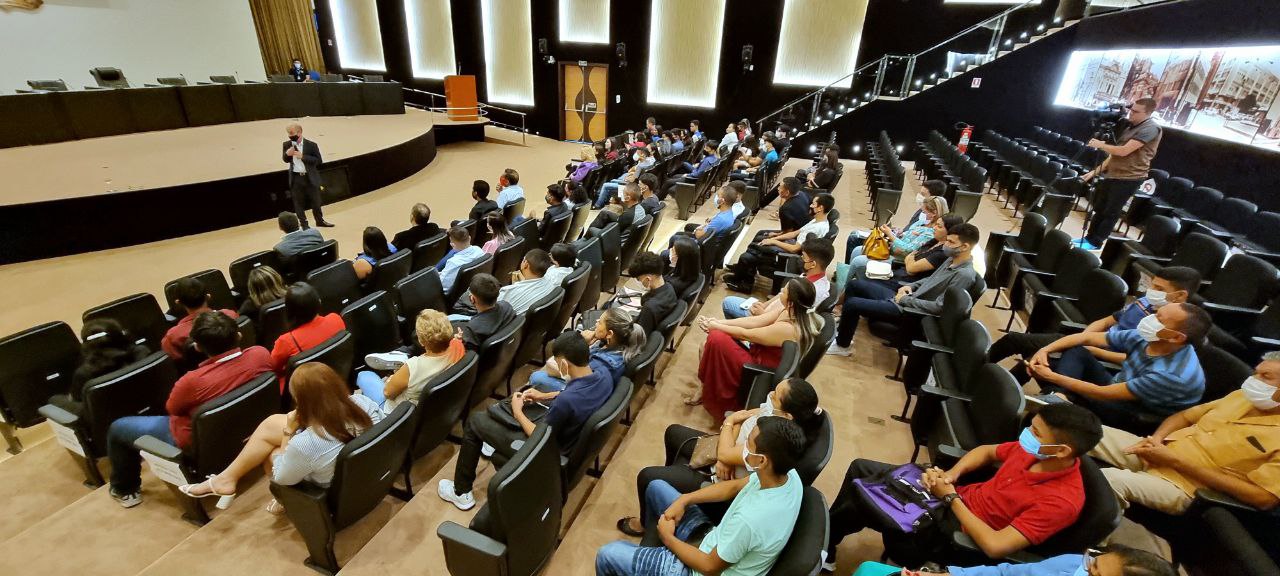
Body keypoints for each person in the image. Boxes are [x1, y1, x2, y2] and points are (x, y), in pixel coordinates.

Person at [825, 404, 1104, 567]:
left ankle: (824, 545)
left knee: (864, 496)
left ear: (1062, 451)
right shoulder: (1035, 452)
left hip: (955, 536)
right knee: (862, 469)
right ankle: (827, 543)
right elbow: (987, 451)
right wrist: (950, 476)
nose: (1027, 435)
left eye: (1036, 432)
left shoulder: (1061, 502)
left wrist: (950, 498)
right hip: (950, 500)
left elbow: (995, 546)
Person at [595, 417, 807, 576]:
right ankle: (651, 545)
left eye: (748, 444)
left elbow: (709, 567)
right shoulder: (789, 477)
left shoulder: (750, 521)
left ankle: (657, 549)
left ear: (762, 460)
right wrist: (684, 500)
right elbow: (733, 487)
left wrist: (668, 537)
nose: (743, 447)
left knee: (608, 554)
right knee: (656, 487)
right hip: (714, 540)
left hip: (698, 569)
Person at [617, 378, 823, 537]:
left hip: (721, 480)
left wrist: (729, 425)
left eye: (775, 395)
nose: (769, 394)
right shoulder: (772, 415)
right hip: (723, 458)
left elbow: (732, 432)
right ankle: (670, 485)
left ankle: (645, 524)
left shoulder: (773, 442)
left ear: (788, 416)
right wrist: (727, 448)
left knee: (647, 476)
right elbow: (742, 420)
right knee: (673, 433)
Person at [107, 312, 273, 507]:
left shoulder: (191, 382)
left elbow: (172, 408)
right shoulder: (260, 354)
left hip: (200, 444)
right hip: (251, 432)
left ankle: (125, 490)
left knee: (118, 428)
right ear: (239, 335)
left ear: (198, 347)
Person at [438, 331, 614, 510]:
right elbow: (571, 393)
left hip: (547, 452)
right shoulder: (604, 374)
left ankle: (461, 492)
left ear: (563, 364)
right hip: (567, 433)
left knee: (475, 421)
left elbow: (540, 438)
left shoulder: (566, 402)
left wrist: (517, 412)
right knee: (501, 412)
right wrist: (544, 395)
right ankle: (492, 438)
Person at [1090, 352, 1280, 514]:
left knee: (1108, 481)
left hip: (1186, 486)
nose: (1254, 380)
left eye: (1265, 376)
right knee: (1084, 431)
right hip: (1158, 451)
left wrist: (1175, 462)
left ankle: (1089, 543)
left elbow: (1263, 498)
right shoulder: (1242, 396)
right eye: (1255, 373)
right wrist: (1156, 439)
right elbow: (1184, 416)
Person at [178, 363, 384, 512]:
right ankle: (226, 479)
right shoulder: (362, 403)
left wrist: (288, 433)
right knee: (270, 424)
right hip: (365, 468)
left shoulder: (306, 444)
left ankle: (285, 502)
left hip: (334, 488)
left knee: (274, 454)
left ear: (301, 401)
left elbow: (280, 478)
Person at [1025, 302, 1210, 428]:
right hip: (1118, 384)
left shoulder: (1172, 375)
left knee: (1046, 413)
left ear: (1177, 337)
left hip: (1133, 413)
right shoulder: (1150, 336)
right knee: (1076, 351)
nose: (1151, 319)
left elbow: (1101, 393)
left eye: (1160, 320)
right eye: (1156, 313)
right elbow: (1087, 338)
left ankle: (1057, 397)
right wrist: (1044, 350)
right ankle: (1059, 396)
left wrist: (1052, 377)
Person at [987, 266, 1201, 372]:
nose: (1151, 291)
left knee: (1037, 362)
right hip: (1092, 341)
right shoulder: (1144, 302)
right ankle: (979, 368)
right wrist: (1085, 337)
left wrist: (1088, 348)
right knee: (1015, 339)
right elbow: (1107, 321)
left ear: (1180, 296)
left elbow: (1136, 359)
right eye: (1153, 285)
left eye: (1159, 289)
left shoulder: (1173, 327)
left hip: (1103, 359)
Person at [827, 223, 981, 356]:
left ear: (965, 246)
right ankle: (844, 329)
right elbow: (929, 280)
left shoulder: (964, 275)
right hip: (907, 297)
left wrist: (906, 300)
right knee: (855, 285)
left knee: (852, 304)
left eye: (951, 242)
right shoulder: (951, 259)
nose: (945, 244)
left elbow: (940, 307)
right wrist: (911, 286)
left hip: (911, 311)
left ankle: (842, 346)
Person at [695, 278, 823, 422]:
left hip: (761, 369)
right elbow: (755, 321)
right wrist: (718, 322)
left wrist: (716, 327)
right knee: (713, 338)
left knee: (717, 337)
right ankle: (704, 387)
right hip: (759, 353)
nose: (780, 291)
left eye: (784, 291)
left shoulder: (789, 328)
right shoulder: (788, 310)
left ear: (791, 302)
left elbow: (747, 334)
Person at [1077, 98, 1162, 251]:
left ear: (1148, 113)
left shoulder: (1151, 128)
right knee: (1099, 208)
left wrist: (1101, 145)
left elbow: (1123, 151)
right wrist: (1093, 173)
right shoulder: (1130, 127)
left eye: (1136, 111)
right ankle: (1089, 238)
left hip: (1130, 177)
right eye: (1131, 109)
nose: (1131, 113)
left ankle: (1096, 242)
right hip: (1113, 174)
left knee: (1111, 212)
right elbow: (1113, 156)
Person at [355, 309, 464, 410]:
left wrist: (390, 381)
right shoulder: (458, 349)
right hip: (433, 408)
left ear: (421, 341)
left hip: (399, 411)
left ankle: (373, 410)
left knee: (364, 375)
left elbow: (387, 393)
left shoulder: (413, 366)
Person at [725, 193, 833, 293]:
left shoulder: (817, 228)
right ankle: (741, 272)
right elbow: (795, 233)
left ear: (820, 208)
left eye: (813, 204)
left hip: (793, 255)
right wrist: (776, 237)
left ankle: (745, 283)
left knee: (749, 254)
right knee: (759, 240)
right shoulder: (816, 220)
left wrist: (774, 242)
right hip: (793, 243)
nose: (810, 205)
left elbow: (795, 249)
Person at [46, 319, 150, 418]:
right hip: (149, 406)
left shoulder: (84, 374)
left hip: (114, 422)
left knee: (55, 400)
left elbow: (79, 404)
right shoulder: (142, 353)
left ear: (86, 346)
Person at [852, 545, 1175, 576]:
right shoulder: (1072, 564)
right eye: (1094, 563)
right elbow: (1005, 571)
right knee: (869, 570)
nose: (1085, 569)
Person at [530, 307, 645, 392]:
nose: (596, 322)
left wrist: (582, 343)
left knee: (537, 377)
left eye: (600, 322)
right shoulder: (621, 343)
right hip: (591, 382)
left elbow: (564, 370)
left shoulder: (603, 363)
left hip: (582, 390)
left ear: (610, 334)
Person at [723, 238, 833, 320]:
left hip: (770, 320)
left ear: (813, 264)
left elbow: (791, 318)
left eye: (803, 257)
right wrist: (764, 305)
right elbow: (781, 294)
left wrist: (762, 315)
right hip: (768, 311)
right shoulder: (809, 276)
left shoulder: (813, 291)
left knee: (728, 303)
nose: (800, 259)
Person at [847, 196, 950, 280]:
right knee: (857, 250)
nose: (922, 214)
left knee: (858, 261)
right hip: (891, 249)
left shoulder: (931, 233)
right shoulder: (922, 222)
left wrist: (890, 235)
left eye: (925, 212)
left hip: (898, 259)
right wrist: (899, 233)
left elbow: (909, 250)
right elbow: (907, 234)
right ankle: (853, 278)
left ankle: (845, 289)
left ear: (934, 213)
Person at [269, 283, 346, 390]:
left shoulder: (286, 341)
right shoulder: (336, 319)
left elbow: (272, 368)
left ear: (289, 312)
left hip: (306, 389)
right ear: (318, 301)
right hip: (338, 379)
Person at [452, 248, 559, 319]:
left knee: (470, 291)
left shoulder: (509, 291)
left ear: (525, 264)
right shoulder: (552, 284)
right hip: (518, 325)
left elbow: (488, 307)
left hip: (493, 318)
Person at [857, 213, 963, 285]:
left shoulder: (942, 251)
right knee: (858, 250)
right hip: (900, 267)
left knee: (858, 265)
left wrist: (910, 259)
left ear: (950, 231)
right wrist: (911, 258)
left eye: (939, 226)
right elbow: (912, 254)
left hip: (904, 277)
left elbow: (911, 265)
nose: (934, 228)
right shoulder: (934, 240)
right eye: (935, 225)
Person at [161, 277, 238, 363]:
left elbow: (177, 364)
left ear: (178, 303)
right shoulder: (230, 315)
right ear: (208, 296)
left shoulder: (173, 337)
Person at [283, 123, 332, 229]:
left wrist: (303, 157)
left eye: (292, 133)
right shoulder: (287, 145)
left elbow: (318, 161)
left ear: (299, 132)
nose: (290, 136)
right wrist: (287, 154)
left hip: (310, 177)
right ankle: (304, 225)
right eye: (288, 134)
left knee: (316, 201)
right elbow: (285, 159)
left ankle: (319, 220)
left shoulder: (311, 145)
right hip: (296, 178)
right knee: (298, 203)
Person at [628, 252, 679, 334]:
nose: (638, 282)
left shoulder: (649, 308)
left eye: (638, 279)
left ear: (648, 279)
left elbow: (638, 336)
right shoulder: (670, 287)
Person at [437, 225, 486, 294]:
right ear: (469, 238)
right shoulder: (479, 250)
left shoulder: (453, 262)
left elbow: (443, 287)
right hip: (474, 287)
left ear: (452, 244)